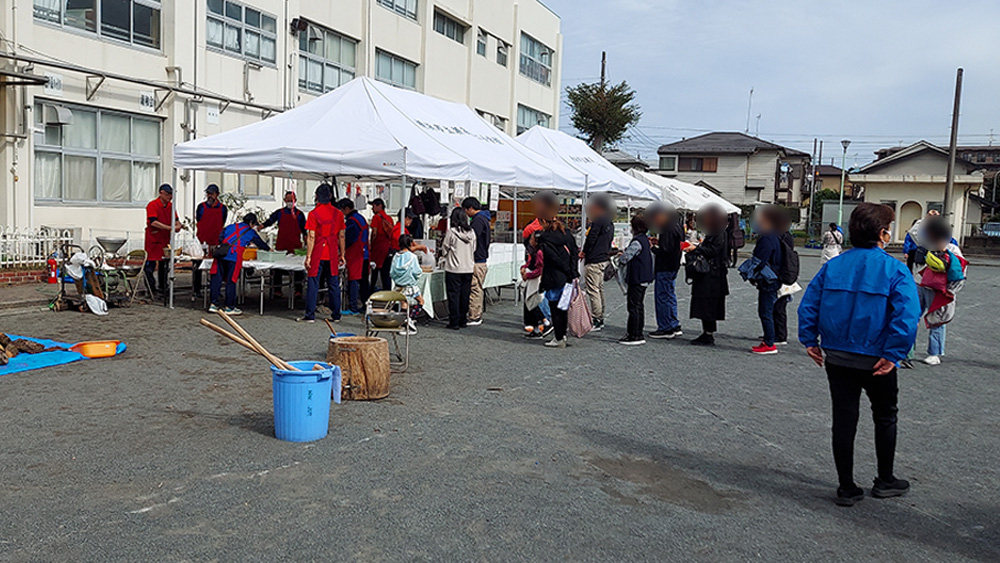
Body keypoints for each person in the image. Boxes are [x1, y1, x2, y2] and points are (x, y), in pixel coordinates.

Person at [798, 202, 921, 507]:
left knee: (844, 419)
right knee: (885, 415)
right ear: (882, 233)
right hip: (877, 357)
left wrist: (809, 339)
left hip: (838, 356)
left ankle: (846, 486)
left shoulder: (833, 265)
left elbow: (809, 304)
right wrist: (894, 354)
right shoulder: (895, 269)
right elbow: (907, 316)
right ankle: (885, 479)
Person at [912, 216, 967, 366]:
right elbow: (913, 231)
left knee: (937, 320)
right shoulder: (924, 243)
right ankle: (906, 350)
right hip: (919, 284)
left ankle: (934, 352)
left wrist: (950, 291)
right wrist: (926, 219)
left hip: (939, 289)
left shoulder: (952, 249)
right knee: (911, 316)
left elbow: (959, 273)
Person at [298, 184, 346, 323]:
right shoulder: (338, 214)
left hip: (318, 250)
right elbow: (341, 236)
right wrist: (342, 253)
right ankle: (336, 314)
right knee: (333, 283)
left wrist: (308, 257)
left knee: (313, 282)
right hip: (332, 250)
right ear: (330, 196)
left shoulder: (313, 214)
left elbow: (311, 237)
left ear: (317, 196)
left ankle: (310, 314)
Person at [685, 204, 729, 346]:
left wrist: (696, 248)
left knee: (708, 304)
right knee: (707, 304)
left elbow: (713, 251)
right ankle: (707, 332)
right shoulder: (716, 231)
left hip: (712, 275)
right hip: (712, 274)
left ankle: (708, 334)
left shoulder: (719, 232)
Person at [209, 213, 270, 315]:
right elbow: (260, 243)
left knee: (216, 279)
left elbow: (220, 238)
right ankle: (229, 307)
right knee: (231, 281)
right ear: (251, 223)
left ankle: (213, 304)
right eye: (254, 224)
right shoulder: (250, 232)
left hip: (221, 253)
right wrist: (269, 249)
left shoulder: (230, 226)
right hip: (234, 255)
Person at [537, 211, 579, 349]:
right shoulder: (567, 234)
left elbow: (552, 258)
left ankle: (558, 337)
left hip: (553, 275)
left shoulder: (545, 238)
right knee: (563, 308)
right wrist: (572, 271)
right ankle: (563, 334)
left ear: (543, 221)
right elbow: (574, 253)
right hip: (567, 277)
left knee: (555, 308)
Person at [748, 205, 786, 355]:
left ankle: (769, 343)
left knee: (765, 311)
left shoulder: (767, 238)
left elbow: (760, 259)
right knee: (769, 310)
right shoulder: (775, 236)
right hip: (774, 277)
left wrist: (751, 271)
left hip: (768, 279)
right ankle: (769, 340)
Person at [260, 191, 306, 298]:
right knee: (277, 268)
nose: (290, 202)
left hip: (295, 247)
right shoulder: (279, 213)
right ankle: (277, 289)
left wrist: (306, 241)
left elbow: (304, 230)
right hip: (281, 245)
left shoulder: (300, 215)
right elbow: (270, 221)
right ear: (284, 200)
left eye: (292, 200)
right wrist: (261, 226)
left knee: (298, 269)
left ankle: (298, 290)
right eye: (288, 200)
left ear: (295, 201)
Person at [617, 213, 654, 346]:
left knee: (633, 306)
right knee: (639, 306)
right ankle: (638, 332)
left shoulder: (637, 241)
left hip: (637, 277)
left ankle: (634, 334)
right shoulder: (645, 239)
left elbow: (626, 258)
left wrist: (622, 255)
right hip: (644, 277)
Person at [438, 206, 476, 330]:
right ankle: (463, 319)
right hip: (468, 267)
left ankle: (454, 321)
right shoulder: (471, 233)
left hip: (454, 268)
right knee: (465, 294)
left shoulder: (451, 232)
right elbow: (474, 248)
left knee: (453, 295)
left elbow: (445, 248)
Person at [580, 194, 614, 331]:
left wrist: (584, 251)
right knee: (599, 289)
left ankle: (597, 319)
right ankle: (600, 317)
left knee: (593, 290)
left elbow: (591, 238)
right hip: (603, 259)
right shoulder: (609, 222)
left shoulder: (598, 221)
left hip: (594, 259)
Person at [649, 205, 684, 339]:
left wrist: (653, 248)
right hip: (674, 264)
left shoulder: (667, 228)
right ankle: (674, 324)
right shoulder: (677, 226)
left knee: (662, 296)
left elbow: (666, 250)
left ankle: (665, 327)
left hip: (665, 265)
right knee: (670, 295)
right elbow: (673, 245)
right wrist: (659, 242)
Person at [144, 184, 182, 299]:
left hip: (165, 240)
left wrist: (178, 226)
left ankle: (163, 288)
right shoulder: (153, 205)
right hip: (153, 239)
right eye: (167, 194)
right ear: (161, 193)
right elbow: (153, 222)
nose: (169, 197)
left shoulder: (171, 206)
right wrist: (170, 227)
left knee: (164, 265)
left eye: (171, 194)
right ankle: (151, 289)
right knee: (149, 266)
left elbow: (176, 220)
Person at [192, 184, 227, 299]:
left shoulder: (222, 208)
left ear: (217, 194)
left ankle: (215, 289)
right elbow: (199, 219)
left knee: (216, 267)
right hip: (202, 240)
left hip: (216, 241)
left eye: (212, 193)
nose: (209, 196)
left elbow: (223, 221)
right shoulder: (201, 207)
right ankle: (196, 289)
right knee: (197, 266)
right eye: (208, 193)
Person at [337, 198, 369, 314]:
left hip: (356, 254)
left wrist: (341, 249)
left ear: (346, 209)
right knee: (363, 281)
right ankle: (365, 305)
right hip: (364, 253)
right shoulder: (361, 218)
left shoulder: (352, 221)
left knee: (353, 280)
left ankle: (353, 307)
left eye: (341, 210)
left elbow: (349, 239)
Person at [463, 197, 492, 326]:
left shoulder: (478, 221)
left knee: (475, 288)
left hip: (477, 259)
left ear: (470, 208)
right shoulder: (484, 218)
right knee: (477, 287)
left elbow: (471, 238)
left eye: (465, 210)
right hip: (481, 258)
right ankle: (476, 314)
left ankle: (475, 316)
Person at [390, 234, 425, 335]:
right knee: (421, 301)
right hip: (410, 285)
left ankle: (403, 324)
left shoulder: (396, 257)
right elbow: (417, 271)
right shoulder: (412, 257)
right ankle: (410, 319)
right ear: (410, 244)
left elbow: (392, 273)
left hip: (399, 286)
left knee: (404, 304)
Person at [773, 211, 797, 347]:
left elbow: (784, 257)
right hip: (784, 273)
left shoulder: (783, 237)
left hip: (783, 274)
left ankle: (781, 335)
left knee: (779, 307)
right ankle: (775, 332)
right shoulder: (784, 236)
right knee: (776, 306)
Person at [520, 232, 551, 339]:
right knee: (531, 304)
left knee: (532, 303)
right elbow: (530, 263)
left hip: (535, 280)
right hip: (533, 279)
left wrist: (527, 275)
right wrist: (524, 267)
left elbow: (539, 269)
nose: (530, 240)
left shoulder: (539, 253)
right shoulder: (535, 252)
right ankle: (537, 328)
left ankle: (544, 321)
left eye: (532, 238)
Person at [369, 198, 394, 293]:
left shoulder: (376, 218)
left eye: (374, 206)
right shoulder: (389, 218)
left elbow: (374, 233)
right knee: (386, 274)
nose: (372, 208)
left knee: (374, 273)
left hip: (378, 248)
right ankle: (387, 294)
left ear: (380, 206)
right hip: (387, 248)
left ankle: (370, 293)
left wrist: (371, 244)